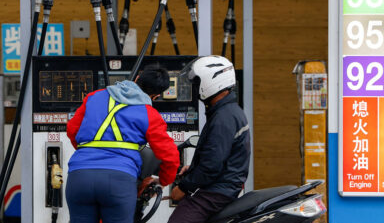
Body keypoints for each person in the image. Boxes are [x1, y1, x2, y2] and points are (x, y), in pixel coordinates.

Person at [65, 65, 180, 223]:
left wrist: (89, 156)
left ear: (137, 78)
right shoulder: (149, 114)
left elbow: (72, 130)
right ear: (156, 96)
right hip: (119, 180)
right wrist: (163, 180)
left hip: (79, 177)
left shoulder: (95, 96)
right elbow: (170, 156)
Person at [168, 55, 251, 223]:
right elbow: (218, 155)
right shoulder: (227, 111)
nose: (195, 87)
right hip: (223, 186)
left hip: (216, 191)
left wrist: (183, 188)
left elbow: (211, 165)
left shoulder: (223, 117)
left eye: (197, 82)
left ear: (212, 81)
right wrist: (193, 168)